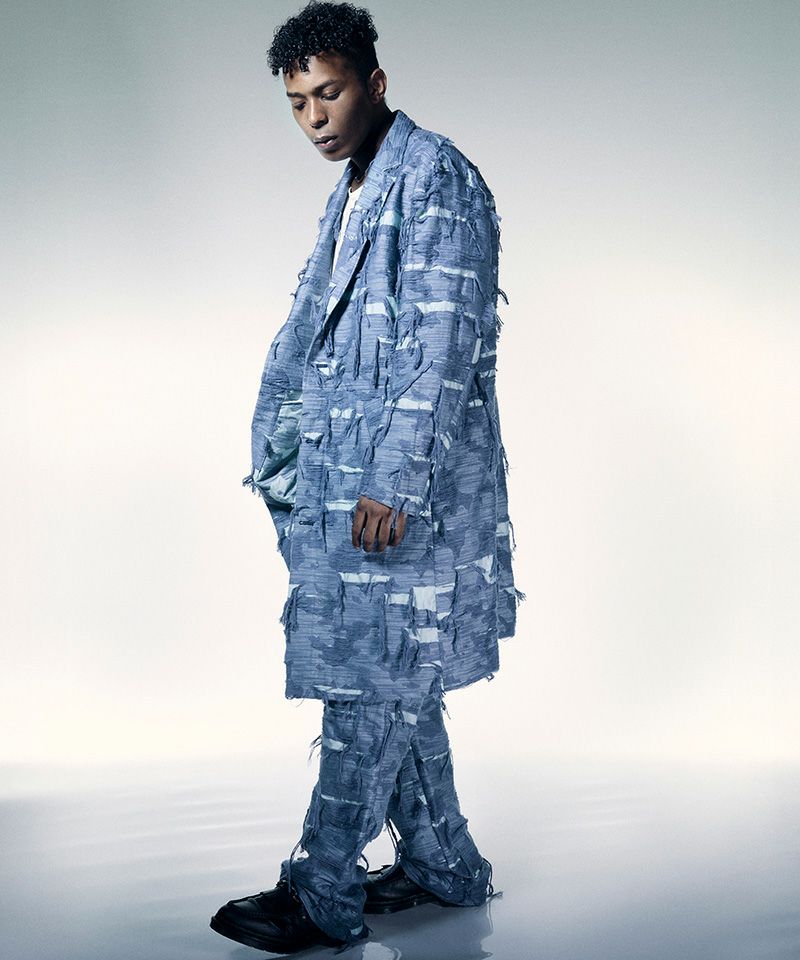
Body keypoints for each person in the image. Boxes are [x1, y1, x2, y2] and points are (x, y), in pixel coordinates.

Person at [210, 1, 524, 953]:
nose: (315, 117)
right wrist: (284, 459)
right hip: (340, 484)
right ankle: (443, 864)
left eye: (331, 92)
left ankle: (322, 889)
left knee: (369, 681)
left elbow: (444, 339)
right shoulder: (356, 185)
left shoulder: (434, 178)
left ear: (375, 83)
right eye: (298, 102)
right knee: (396, 677)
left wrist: (395, 477)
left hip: (398, 492)